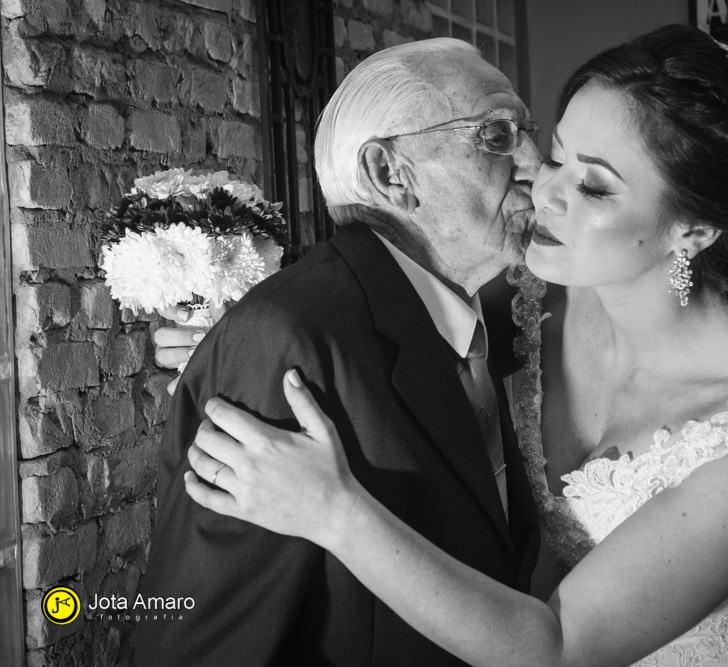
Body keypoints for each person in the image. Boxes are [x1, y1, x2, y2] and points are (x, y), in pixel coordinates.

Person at [183, 24, 728, 666]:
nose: (544, 181)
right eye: (559, 152)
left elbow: (560, 647)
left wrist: (335, 511)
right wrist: (253, 331)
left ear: (694, 230)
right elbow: (400, 307)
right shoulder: (546, 294)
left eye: (594, 185)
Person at [135, 38, 542, 666]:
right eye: (496, 135)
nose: (535, 161)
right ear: (389, 173)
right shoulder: (286, 337)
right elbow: (195, 640)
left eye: (527, 132)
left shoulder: (479, 319)